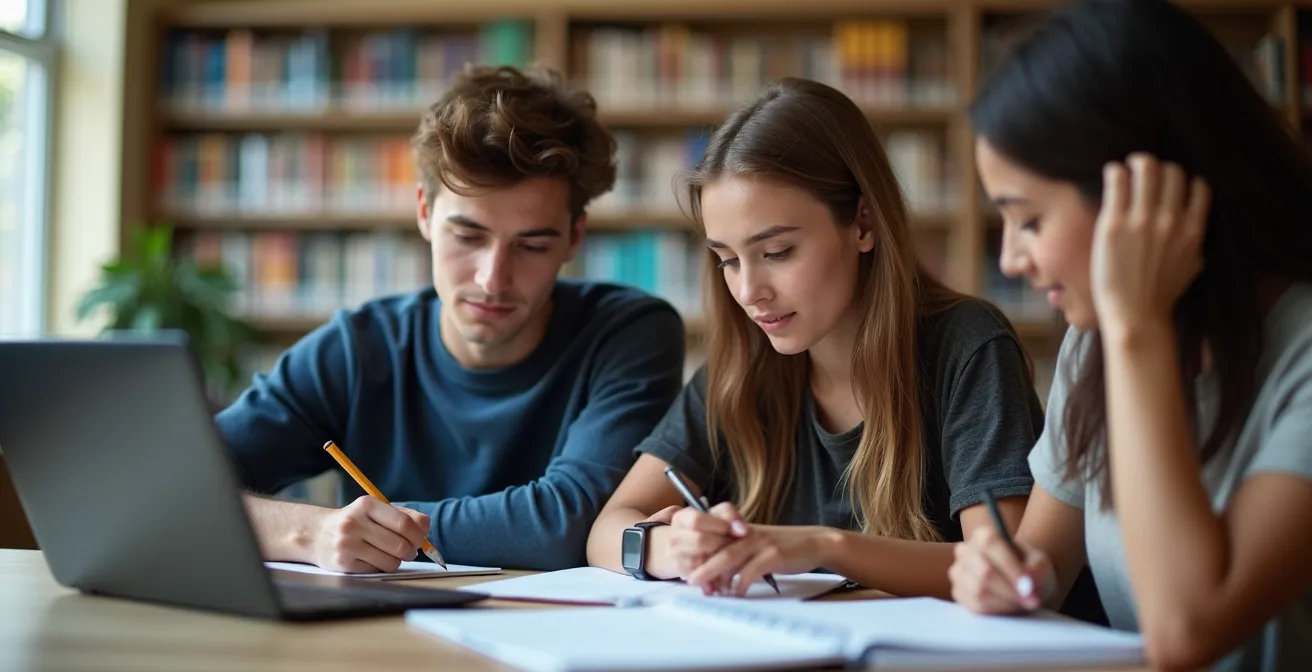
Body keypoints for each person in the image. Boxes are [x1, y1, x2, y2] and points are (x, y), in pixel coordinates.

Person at [585, 76, 1105, 612]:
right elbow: (608, 528)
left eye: (779, 251)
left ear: (863, 222)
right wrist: (671, 549)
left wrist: (822, 545)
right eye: (727, 259)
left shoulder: (966, 345)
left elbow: (1005, 569)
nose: (748, 291)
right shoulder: (743, 368)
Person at [946, 1, 1312, 669]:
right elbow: (1045, 565)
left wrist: (1136, 331)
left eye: (1028, 220)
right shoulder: (1102, 334)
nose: (1011, 262)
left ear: (1140, 195)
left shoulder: (1134, 330)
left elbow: (1186, 632)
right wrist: (1004, 577)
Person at [216, 65, 686, 573]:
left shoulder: (629, 333)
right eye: (467, 237)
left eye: (532, 245)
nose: (492, 279)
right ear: (424, 212)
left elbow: (565, 525)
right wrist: (313, 533)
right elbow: (177, 487)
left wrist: (371, 531)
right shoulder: (357, 349)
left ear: (575, 237)